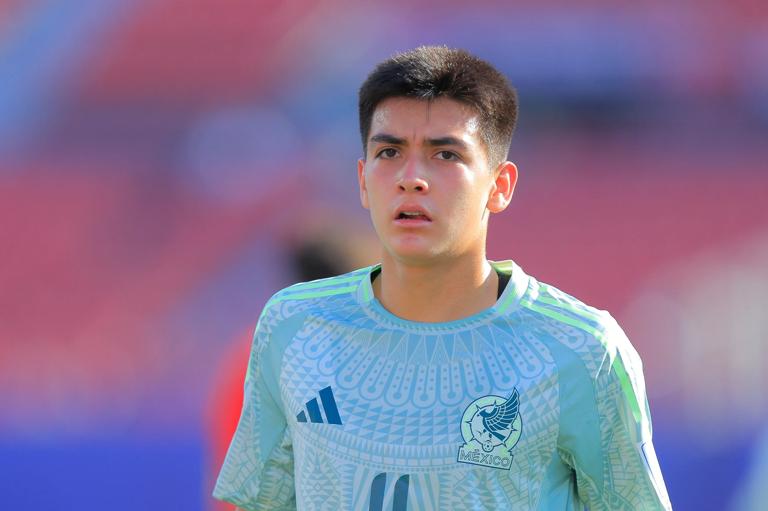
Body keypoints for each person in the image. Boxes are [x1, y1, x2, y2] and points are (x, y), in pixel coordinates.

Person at [213, 45, 672, 510]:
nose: (412, 178)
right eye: (389, 151)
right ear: (362, 179)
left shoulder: (582, 350)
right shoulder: (293, 327)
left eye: (445, 155)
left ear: (500, 186)